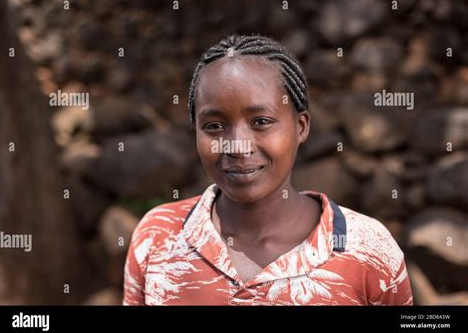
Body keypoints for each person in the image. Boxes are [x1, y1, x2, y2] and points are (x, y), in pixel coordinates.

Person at [123, 34, 413, 305]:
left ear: (301, 127)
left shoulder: (366, 250)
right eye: (214, 126)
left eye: (261, 121)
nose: (237, 146)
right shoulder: (158, 236)